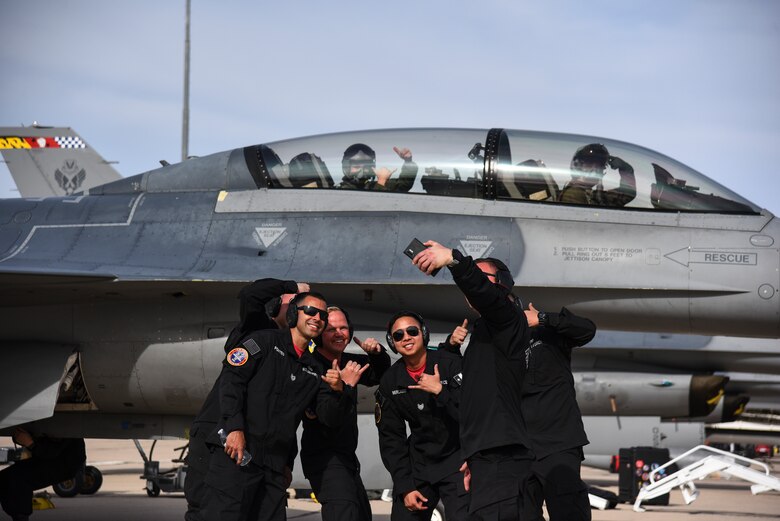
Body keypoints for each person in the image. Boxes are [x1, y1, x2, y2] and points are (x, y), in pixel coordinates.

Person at [201, 291, 362, 521]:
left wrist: (341, 390)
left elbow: (326, 417)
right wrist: (234, 428)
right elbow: (231, 381)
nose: (317, 318)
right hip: (236, 453)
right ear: (294, 313)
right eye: (310, 311)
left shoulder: (315, 369)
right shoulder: (263, 342)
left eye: (322, 315)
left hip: (274, 468)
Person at [411, 244, 533, 520]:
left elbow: (487, 296)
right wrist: (473, 454)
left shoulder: (509, 319)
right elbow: (479, 401)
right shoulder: (486, 334)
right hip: (487, 457)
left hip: (501, 458)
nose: (474, 285)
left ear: (502, 285)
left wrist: (455, 261)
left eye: (482, 277)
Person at [185, 279, 308, 521]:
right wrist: (291, 286)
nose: (298, 309)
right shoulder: (258, 330)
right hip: (217, 431)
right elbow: (250, 295)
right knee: (205, 507)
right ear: (275, 307)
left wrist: (286, 462)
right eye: (293, 303)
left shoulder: (296, 353)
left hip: (254, 446)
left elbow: (286, 414)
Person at [375, 311, 468, 521]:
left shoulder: (450, 364)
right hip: (420, 465)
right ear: (392, 342)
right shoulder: (391, 380)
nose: (406, 338)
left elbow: (472, 415)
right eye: (398, 335)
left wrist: (440, 392)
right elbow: (391, 438)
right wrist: (405, 486)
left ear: (423, 333)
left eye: (412, 331)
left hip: (457, 460)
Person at [300, 306, 391, 521]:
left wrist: (376, 354)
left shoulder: (347, 362)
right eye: (331, 329)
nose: (339, 333)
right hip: (325, 459)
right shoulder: (310, 367)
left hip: (346, 458)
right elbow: (329, 418)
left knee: (361, 515)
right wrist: (345, 387)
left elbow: (379, 374)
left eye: (343, 328)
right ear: (319, 334)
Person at [521, 303, 596, 521]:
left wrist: (543, 318)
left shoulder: (547, 333)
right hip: (520, 448)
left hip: (558, 444)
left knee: (568, 512)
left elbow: (587, 330)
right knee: (519, 514)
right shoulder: (499, 341)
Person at [0, 428, 86, 521]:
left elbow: (52, 451)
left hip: (63, 463)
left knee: (18, 478)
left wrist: (31, 444)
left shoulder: (62, 427)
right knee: (5, 478)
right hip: (47, 458)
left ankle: (21, 517)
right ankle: (17, 515)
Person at [558, 143, 636, 207]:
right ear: (578, 165)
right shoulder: (574, 194)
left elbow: (627, 195)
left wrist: (625, 169)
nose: (595, 169)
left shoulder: (593, 196)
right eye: (590, 163)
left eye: (600, 165)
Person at [339, 143, 418, 191]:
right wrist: (381, 181)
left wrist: (408, 161)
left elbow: (403, 185)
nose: (362, 171)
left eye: (366, 167)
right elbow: (369, 207)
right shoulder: (340, 191)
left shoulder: (372, 186)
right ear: (346, 167)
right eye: (356, 166)